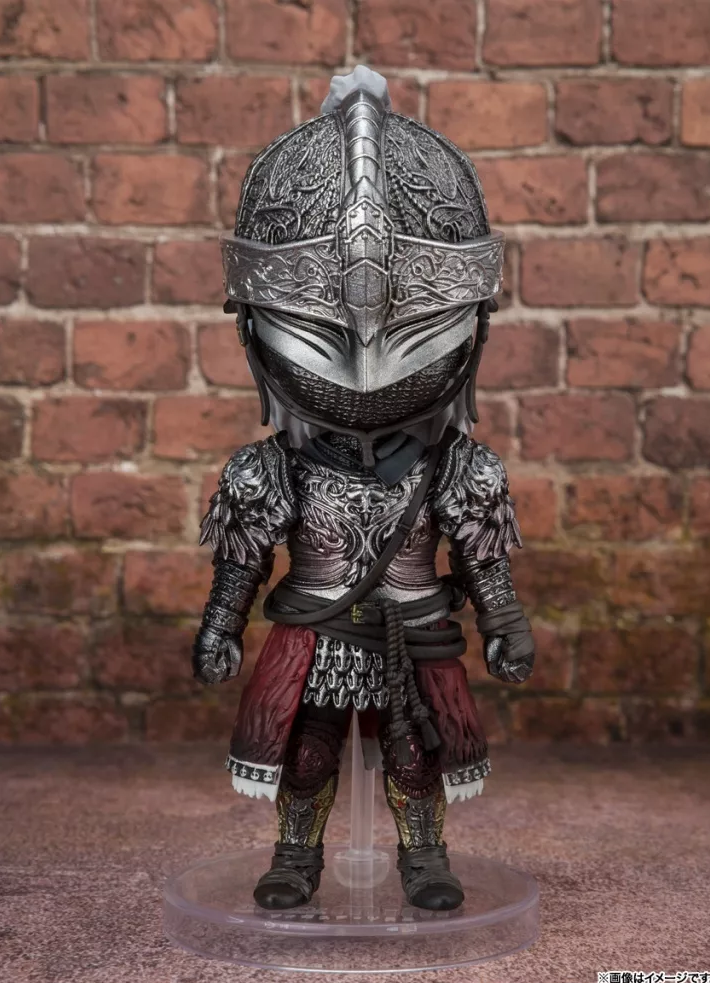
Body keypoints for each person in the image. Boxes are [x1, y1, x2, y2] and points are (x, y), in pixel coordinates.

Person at [192, 65, 535, 913]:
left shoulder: (457, 466)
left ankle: (423, 859)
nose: (367, 359)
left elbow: (481, 557)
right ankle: (294, 857)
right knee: (307, 754)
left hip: (413, 629)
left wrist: (505, 623)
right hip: (316, 631)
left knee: (416, 757)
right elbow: (242, 560)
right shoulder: (272, 467)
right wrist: (220, 621)